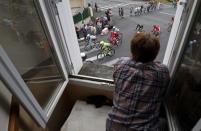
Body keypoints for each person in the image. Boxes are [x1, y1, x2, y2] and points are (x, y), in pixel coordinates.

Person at [106, 32, 170, 131]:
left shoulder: (120, 65)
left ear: (132, 50)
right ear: (156, 53)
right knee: (165, 123)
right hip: (144, 128)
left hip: (113, 125)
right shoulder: (162, 72)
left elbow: (116, 79)